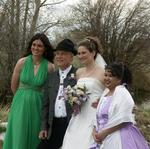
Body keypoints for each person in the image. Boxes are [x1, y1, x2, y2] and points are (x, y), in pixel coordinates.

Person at [3, 33, 54, 149]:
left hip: (38, 105)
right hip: (20, 104)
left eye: (39, 46)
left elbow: (49, 91)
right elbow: (13, 86)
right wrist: (22, 98)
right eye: (34, 45)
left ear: (45, 48)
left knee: (34, 135)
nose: (36, 48)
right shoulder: (21, 62)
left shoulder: (50, 67)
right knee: (18, 133)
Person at [90, 62, 150, 149]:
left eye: (110, 76)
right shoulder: (106, 92)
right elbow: (98, 116)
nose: (106, 78)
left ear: (119, 79)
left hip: (117, 136)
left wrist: (104, 133)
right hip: (101, 137)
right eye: (105, 75)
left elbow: (124, 119)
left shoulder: (122, 93)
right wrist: (94, 131)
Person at [62, 36, 106, 149]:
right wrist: (72, 98)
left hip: (94, 114)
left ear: (93, 53)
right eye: (79, 53)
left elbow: (112, 93)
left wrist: (101, 99)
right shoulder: (79, 72)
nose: (80, 56)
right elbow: (77, 91)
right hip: (79, 114)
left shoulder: (103, 73)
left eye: (84, 53)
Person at [37, 39, 77, 149]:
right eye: (57, 53)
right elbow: (45, 105)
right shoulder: (51, 77)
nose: (59, 56)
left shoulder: (78, 75)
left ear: (71, 57)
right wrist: (43, 127)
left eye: (63, 54)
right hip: (53, 125)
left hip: (71, 124)